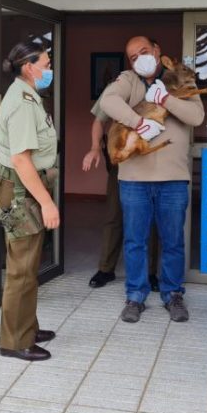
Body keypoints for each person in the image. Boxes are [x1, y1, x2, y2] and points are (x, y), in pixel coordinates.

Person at [100, 36, 204, 324]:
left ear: (158, 51)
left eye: (144, 52)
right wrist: (138, 121)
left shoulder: (180, 79)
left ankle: (173, 294)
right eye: (133, 56)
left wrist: (166, 98)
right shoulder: (128, 80)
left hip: (173, 178)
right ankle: (135, 295)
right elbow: (108, 100)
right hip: (134, 179)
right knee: (135, 241)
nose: (139, 59)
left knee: (173, 241)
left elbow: (196, 116)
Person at [0, 40, 60, 362]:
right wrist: (46, 202)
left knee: (29, 264)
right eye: (46, 64)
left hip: (26, 188)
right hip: (22, 191)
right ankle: (15, 341)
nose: (50, 70)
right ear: (29, 67)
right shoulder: (20, 102)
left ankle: (27, 327)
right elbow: (21, 160)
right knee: (21, 268)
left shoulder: (28, 96)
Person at [82, 100, 160, 291]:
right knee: (114, 215)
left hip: (153, 160)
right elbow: (99, 120)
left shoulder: (159, 89)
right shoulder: (117, 90)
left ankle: (150, 273)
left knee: (150, 219)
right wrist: (94, 147)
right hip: (122, 161)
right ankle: (106, 269)